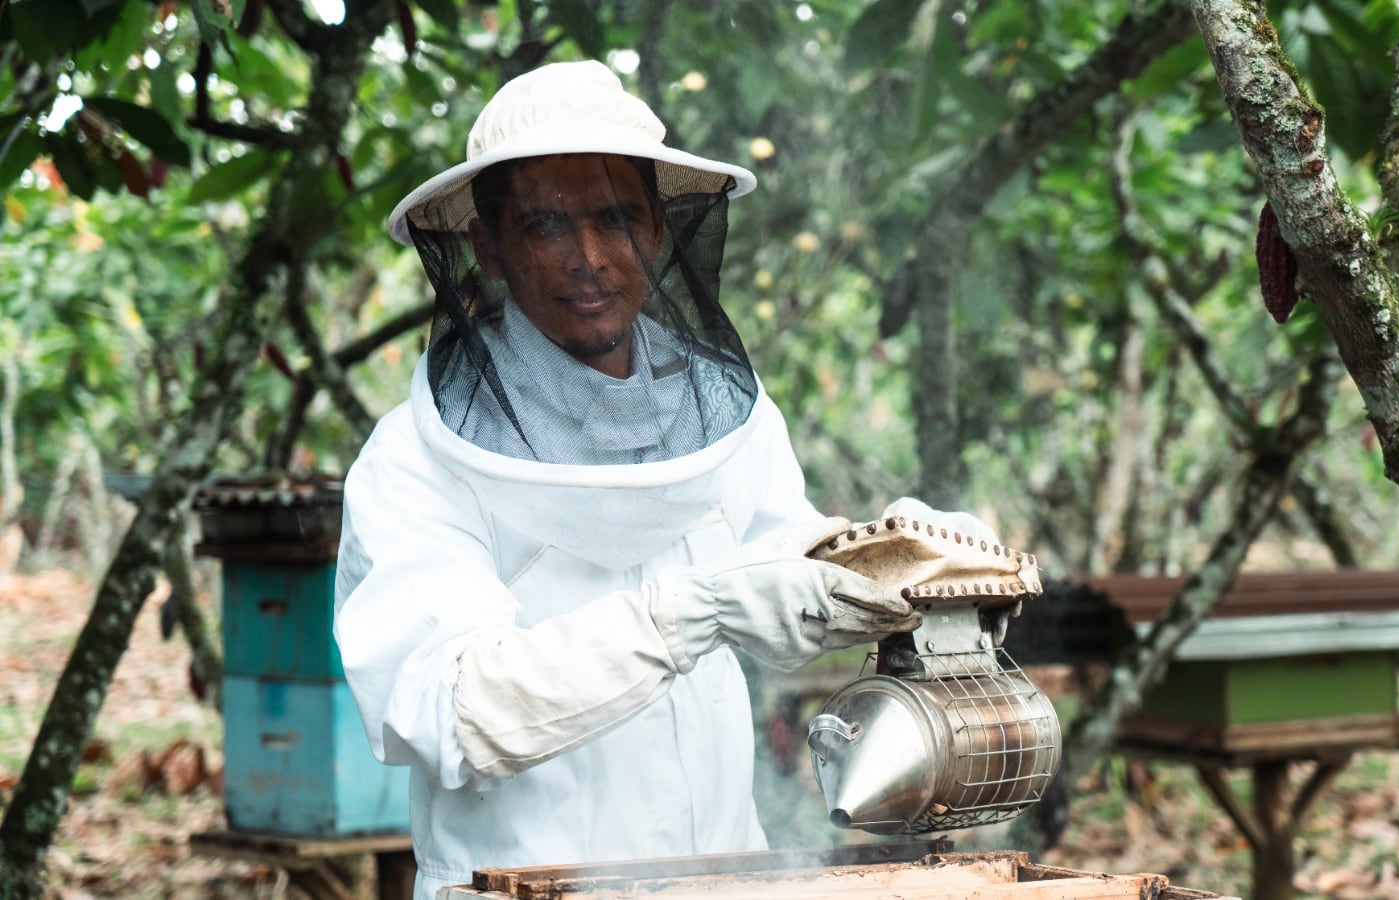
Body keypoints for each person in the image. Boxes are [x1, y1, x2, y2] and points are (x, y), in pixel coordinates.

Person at [333, 59, 995, 900]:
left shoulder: (721, 418)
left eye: (617, 218)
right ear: (487, 248)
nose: (589, 258)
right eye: (544, 225)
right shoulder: (415, 464)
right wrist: (693, 611)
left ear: (659, 231)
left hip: (724, 880)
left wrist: (886, 559)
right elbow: (449, 714)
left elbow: (774, 568)